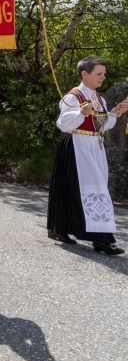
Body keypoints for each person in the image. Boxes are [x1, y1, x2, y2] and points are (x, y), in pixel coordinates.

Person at [47, 57, 128, 255]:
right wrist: (81, 113)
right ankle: (102, 240)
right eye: (99, 74)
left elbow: (101, 126)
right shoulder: (73, 96)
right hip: (76, 143)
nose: (103, 77)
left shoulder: (99, 99)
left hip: (94, 146)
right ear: (85, 74)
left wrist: (115, 113)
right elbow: (63, 124)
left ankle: (61, 228)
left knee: (85, 188)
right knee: (90, 189)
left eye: (104, 74)